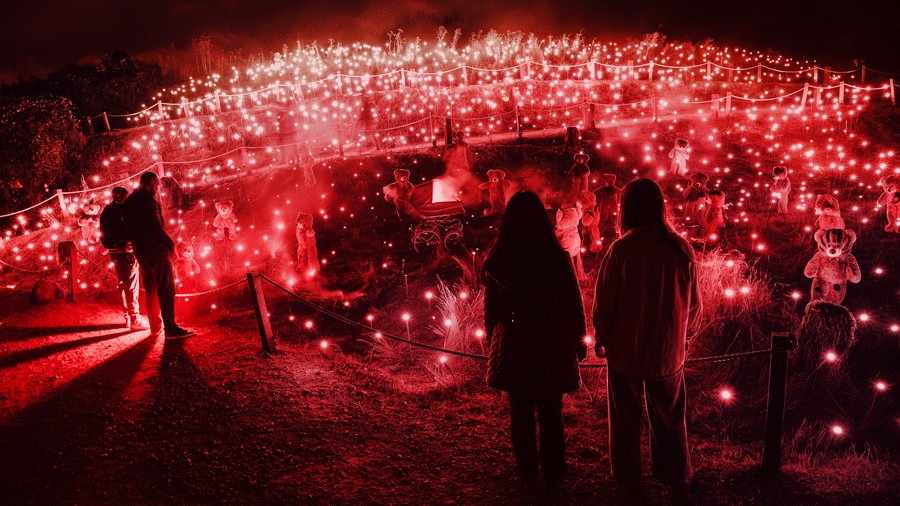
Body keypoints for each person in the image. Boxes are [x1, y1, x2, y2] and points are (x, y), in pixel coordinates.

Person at [592, 178, 701, 502]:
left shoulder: (621, 250)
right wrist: (684, 335)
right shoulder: (680, 248)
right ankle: (676, 475)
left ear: (626, 209)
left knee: (624, 419)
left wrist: (602, 334)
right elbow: (694, 303)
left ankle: (628, 479)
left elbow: (605, 302)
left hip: (626, 351)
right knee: (669, 417)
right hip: (667, 352)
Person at [482, 191, 587, 491]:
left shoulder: (500, 259)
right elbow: (572, 303)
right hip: (551, 344)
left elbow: (493, 312)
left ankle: (527, 471)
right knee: (552, 413)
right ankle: (554, 473)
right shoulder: (556, 258)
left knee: (521, 414)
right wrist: (578, 344)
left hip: (517, 344)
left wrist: (493, 344)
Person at [122, 172, 195, 339]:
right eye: (156, 185)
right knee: (166, 287)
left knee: (151, 289)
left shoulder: (130, 201)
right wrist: (170, 244)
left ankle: (155, 326)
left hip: (141, 251)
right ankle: (171, 327)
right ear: (149, 183)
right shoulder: (148, 201)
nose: (157, 188)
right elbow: (154, 226)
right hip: (156, 250)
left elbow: (127, 226)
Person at [99, 186, 147, 331]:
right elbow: (130, 229)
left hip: (113, 253)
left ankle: (128, 317)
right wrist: (130, 243)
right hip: (126, 252)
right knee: (131, 285)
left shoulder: (107, 210)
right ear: (122, 196)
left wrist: (109, 245)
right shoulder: (125, 211)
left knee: (122, 284)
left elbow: (103, 232)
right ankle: (135, 319)